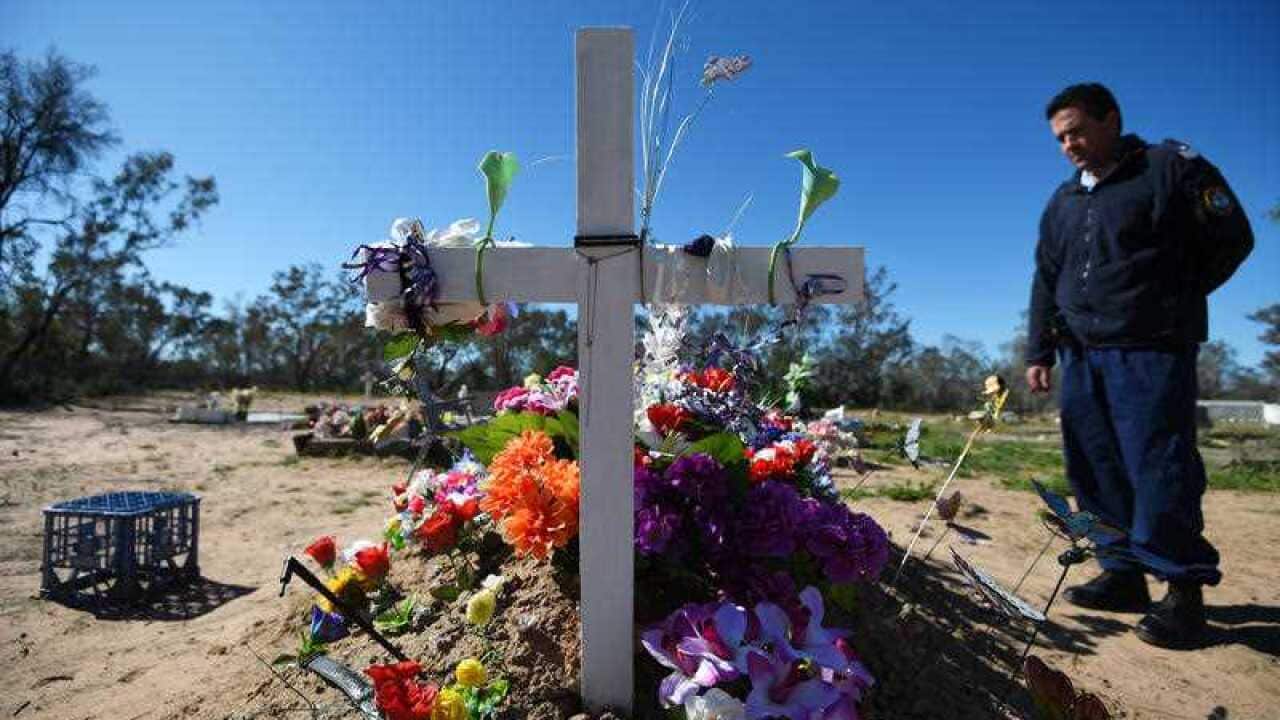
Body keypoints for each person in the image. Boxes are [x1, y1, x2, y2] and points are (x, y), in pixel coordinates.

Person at [1025, 83, 1254, 648]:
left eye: (1077, 131)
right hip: (1081, 354)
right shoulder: (1063, 201)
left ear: (1111, 120)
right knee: (1094, 465)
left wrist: (1170, 299)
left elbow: (1233, 237)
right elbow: (1045, 277)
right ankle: (1122, 573)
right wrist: (1039, 350)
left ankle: (1182, 590)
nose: (1068, 145)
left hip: (1151, 350)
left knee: (1160, 466)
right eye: (1059, 138)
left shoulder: (1168, 169)